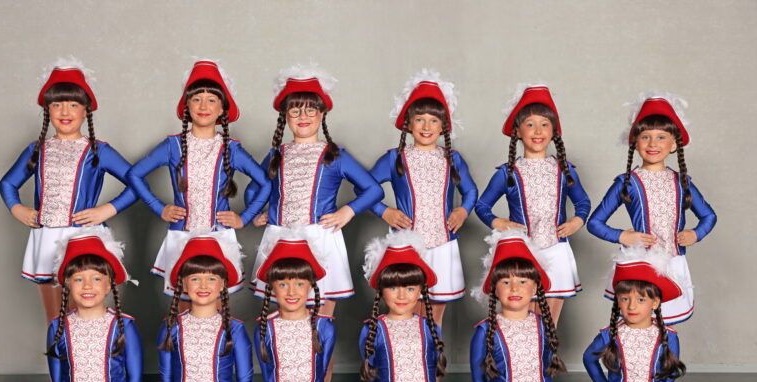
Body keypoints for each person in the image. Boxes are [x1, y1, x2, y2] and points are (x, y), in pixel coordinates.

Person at [0, 59, 136, 321]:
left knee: (82, 312)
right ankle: (58, 348)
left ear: (86, 110)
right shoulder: (37, 149)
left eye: (73, 104)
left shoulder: (98, 150)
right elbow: (7, 183)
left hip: (82, 237)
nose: (65, 111)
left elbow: (137, 181)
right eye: (57, 104)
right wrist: (17, 209)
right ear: (47, 110)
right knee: (54, 317)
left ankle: (83, 348)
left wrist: (107, 209)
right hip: (45, 237)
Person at [246, 62, 383, 317]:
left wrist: (347, 211)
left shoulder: (335, 155)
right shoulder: (277, 154)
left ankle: (321, 346)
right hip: (281, 237)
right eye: (295, 110)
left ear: (322, 114)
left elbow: (373, 190)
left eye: (311, 110)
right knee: (287, 311)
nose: (303, 116)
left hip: (321, 238)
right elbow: (254, 188)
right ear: (285, 116)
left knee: (322, 313)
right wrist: (256, 213)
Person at [127, 59, 269, 297]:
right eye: (196, 99)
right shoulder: (172, 145)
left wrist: (244, 218)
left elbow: (265, 183)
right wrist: (159, 208)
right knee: (183, 298)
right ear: (187, 106)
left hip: (219, 235)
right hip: (181, 235)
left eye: (211, 100)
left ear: (222, 109)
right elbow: (135, 173)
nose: (204, 106)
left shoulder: (231, 149)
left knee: (216, 299)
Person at [587, 92, 716, 324]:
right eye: (645, 137)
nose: (653, 144)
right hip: (640, 265)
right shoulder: (627, 182)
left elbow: (708, 215)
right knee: (639, 324)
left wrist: (696, 233)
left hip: (674, 263)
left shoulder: (682, 182)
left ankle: (665, 351)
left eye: (661, 137)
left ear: (674, 143)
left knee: (669, 327)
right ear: (635, 142)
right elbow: (595, 223)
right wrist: (623, 236)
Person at [369, 70, 477, 326]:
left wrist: (462, 210)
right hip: (408, 246)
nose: (427, 127)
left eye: (433, 120)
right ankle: (409, 350)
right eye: (419, 119)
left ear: (443, 126)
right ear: (408, 123)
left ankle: (432, 351)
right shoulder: (394, 158)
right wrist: (385, 211)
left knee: (436, 312)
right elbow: (365, 190)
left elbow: (471, 191)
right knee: (407, 309)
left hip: (443, 243)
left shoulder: (452, 158)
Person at [475, 84, 590, 324]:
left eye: (544, 124)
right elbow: (482, 206)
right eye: (530, 124)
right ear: (518, 131)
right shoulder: (507, 172)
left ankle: (547, 351)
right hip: (522, 252)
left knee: (550, 324)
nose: (538, 131)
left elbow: (582, 201)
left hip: (557, 250)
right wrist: (498, 222)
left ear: (554, 130)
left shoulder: (564, 170)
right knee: (523, 321)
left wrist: (577, 221)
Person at [38, 228, 147, 382]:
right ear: (67, 283)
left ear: (109, 285)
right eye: (78, 279)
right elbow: (57, 373)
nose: (87, 285)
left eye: (96, 278)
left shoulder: (123, 325)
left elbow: (135, 373)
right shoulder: (58, 326)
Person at [583, 247, 696, 382]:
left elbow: (671, 369)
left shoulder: (668, 336)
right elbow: (589, 358)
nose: (632, 306)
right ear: (617, 300)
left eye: (641, 300)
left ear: (655, 302)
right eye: (625, 298)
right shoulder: (610, 334)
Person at [154, 233, 253, 382]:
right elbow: (166, 373)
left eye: (211, 279)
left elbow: (245, 376)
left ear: (223, 284)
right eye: (195, 279)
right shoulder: (171, 326)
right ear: (183, 284)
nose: (203, 286)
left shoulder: (234, 328)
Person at [469, 231, 567, 382]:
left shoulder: (543, 325)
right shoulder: (485, 330)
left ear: (535, 288)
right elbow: (478, 377)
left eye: (523, 282)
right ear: (494, 289)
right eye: (506, 282)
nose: (514, 288)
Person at [246, 233, 337, 382]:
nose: (291, 291)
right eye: (283, 284)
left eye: (299, 283)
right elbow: (268, 374)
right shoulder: (265, 328)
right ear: (272, 287)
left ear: (311, 285)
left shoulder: (324, 327)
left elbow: (322, 371)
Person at [359, 230, 449, 382]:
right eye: (393, 287)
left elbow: (434, 368)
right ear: (381, 289)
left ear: (420, 290)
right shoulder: (372, 329)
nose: (401, 296)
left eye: (410, 288)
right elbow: (373, 372)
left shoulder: (431, 328)